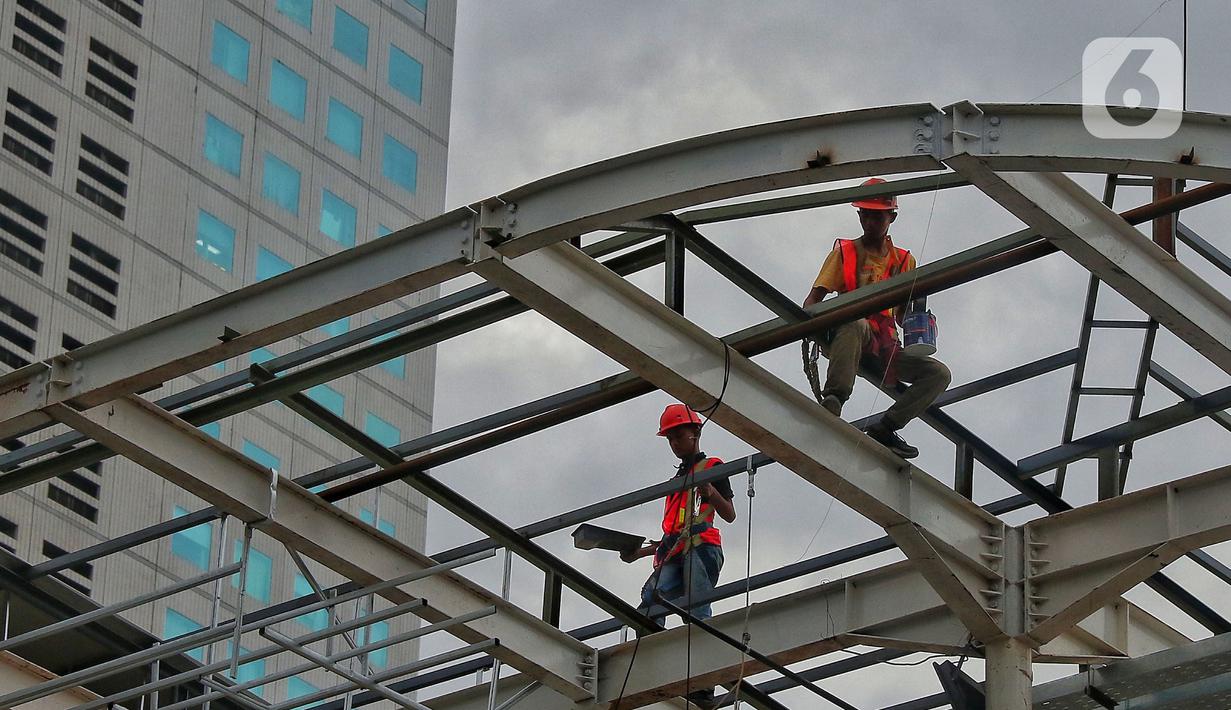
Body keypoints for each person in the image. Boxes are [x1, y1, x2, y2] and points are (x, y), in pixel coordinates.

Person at [801, 177, 951, 459]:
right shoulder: (845, 253)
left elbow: (902, 316)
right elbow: (813, 300)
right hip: (849, 337)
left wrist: (919, 320)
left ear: (891, 217)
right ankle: (834, 398)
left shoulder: (904, 261)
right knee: (855, 321)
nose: (870, 222)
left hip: (885, 346)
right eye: (865, 215)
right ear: (859, 215)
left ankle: (887, 428)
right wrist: (815, 329)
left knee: (939, 374)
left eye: (877, 216)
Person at [622, 404, 735, 708]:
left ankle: (703, 685)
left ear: (695, 433)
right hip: (675, 551)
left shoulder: (712, 467)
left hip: (702, 549)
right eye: (670, 438)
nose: (673, 443)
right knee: (651, 599)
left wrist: (711, 493)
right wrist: (640, 552)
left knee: (696, 610)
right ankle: (656, 668)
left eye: (678, 436)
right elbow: (674, 534)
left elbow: (729, 514)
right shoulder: (678, 479)